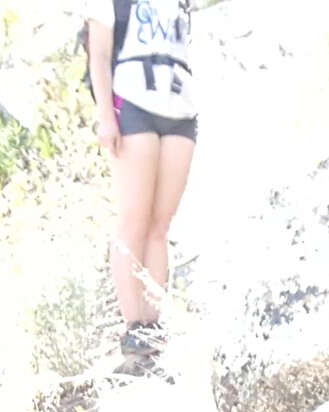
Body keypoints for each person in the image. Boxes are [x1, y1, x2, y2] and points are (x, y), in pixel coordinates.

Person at [82, 0, 196, 358]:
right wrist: (105, 116)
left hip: (180, 110)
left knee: (160, 225)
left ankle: (154, 325)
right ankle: (135, 327)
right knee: (134, 219)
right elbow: (98, 55)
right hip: (132, 105)